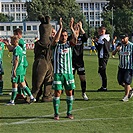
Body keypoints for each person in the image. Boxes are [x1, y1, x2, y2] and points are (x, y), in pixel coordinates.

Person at [52, 18, 76, 120]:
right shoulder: (56, 45)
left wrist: (71, 27)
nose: (64, 37)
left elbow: (75, 39)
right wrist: (60, 27)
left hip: (68, 73)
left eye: (65, 35)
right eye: (62, 35)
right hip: (58, 73)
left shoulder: (69, 45)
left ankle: (69, 113)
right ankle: (56, 113)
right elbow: (55, 40)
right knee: (57, 92)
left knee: (69, 92)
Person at [6, 35, 36, 105]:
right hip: (21, 69)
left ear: (15, 41)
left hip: (18, 70)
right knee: (23, 84)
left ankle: (12, 101)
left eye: (12, 40)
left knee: (14, 85)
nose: (11, 41)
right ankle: (32, 97)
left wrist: (14, 70)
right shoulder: (19, 48)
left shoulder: (16, 49)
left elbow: (17, 59)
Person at [31, 15, 54, 102]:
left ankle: (36, 94)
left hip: (40, 61)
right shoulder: (50, 42)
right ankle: (45, 95)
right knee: (46, 80)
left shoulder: (38, 43)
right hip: (46, 62)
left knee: (38, 81)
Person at [71, 20, 89, 100]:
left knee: (82, 78)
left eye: (77, 29)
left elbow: (86, 37)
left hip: (80, 62)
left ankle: (84, 93)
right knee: (72, 79)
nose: (76, 30)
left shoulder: (81, 38)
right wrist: (72, 28)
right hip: (71, 61)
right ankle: (72, 95)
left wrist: (81, 27)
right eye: (75, 28)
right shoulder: (69, 38)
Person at [112, 34, 133, 101]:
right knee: (120, 81)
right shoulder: (119, 45)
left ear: (127, 38)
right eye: (121, 38)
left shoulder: (131, 46)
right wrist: (116, 50)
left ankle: (126, 96)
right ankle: (131, 90)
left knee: (127, 81)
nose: (122, 40)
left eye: (124, 38)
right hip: (121, 67)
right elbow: (113, 54)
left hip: (129, 67)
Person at [94, 26, 110, 91]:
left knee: (102, 71)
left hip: (102, 57)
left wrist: (95, 42)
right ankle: (103, 86)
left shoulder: (102, 38)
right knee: (101, 71)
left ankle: (104, 87)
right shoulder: (107, 37)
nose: (99, 32)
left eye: (100, 31)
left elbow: (99, 48)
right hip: (105, 56)